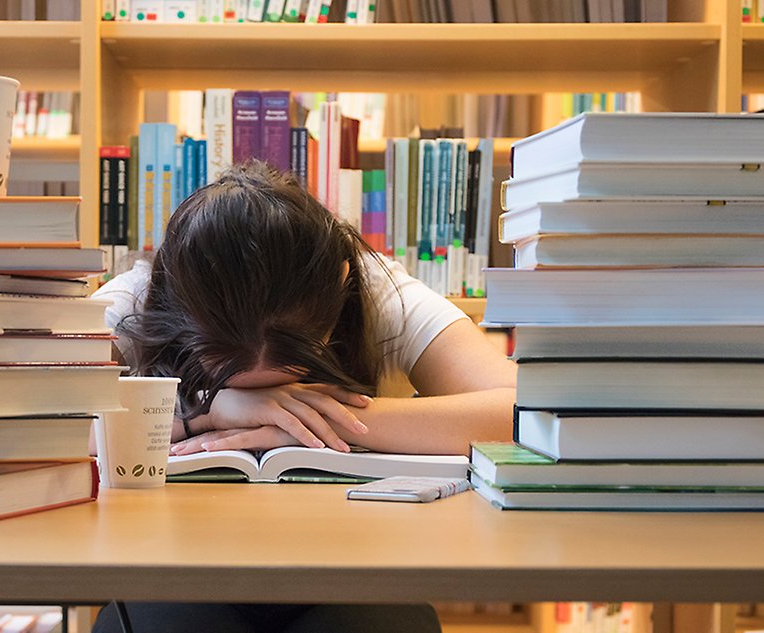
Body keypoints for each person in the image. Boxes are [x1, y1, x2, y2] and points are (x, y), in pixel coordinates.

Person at [91, 160, 516, 633]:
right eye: (229, 376)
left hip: (357, 564)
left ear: (337, 287)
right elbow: (16, 421)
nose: (270, 398)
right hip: (174, 565)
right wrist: (206, 415)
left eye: (289, 380)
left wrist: (322, 417)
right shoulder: (140, 297)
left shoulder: (378, 288)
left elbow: (522, 410)